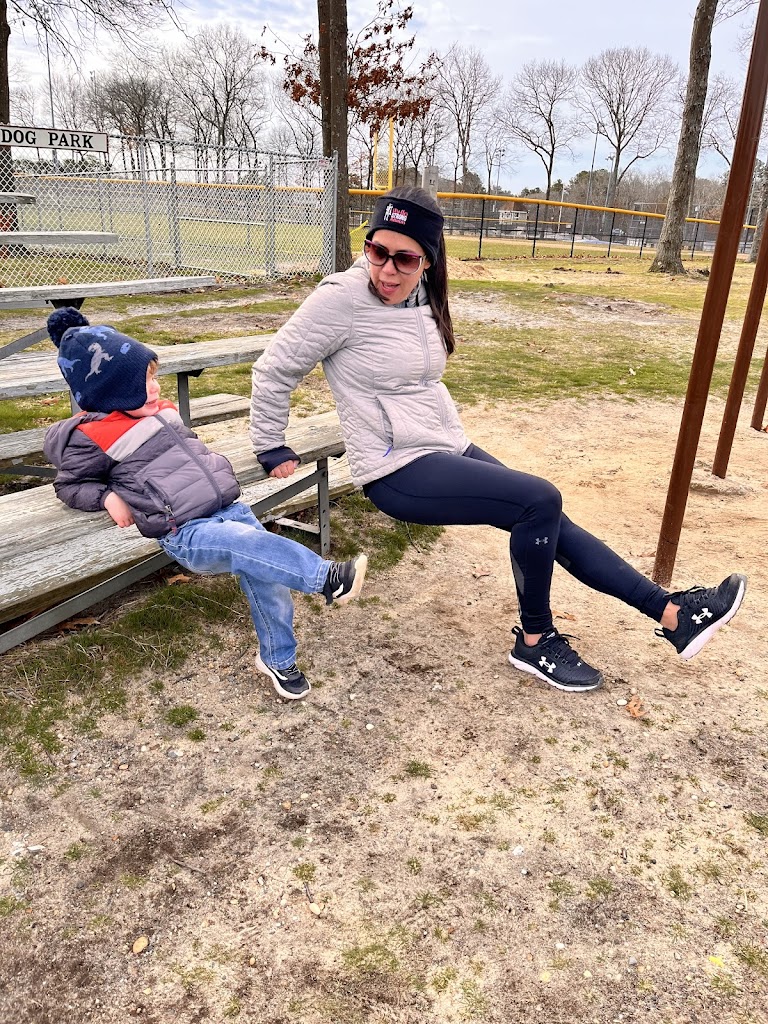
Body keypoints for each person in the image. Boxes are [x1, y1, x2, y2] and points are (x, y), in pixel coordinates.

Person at [249, 185, 746, 693]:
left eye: (405, 258)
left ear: (428, 260)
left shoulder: (423, 294)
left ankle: (672, 614)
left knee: (549, 517)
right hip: (393, 467)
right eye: (377, 251)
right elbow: (274, 368)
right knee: (539, 499)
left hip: (443, 446)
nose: (387, 270)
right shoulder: (341, 298)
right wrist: (271, 443)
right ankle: (536, 641)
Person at [43, 307, 367, 701]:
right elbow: (69, 486)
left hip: (228, 509)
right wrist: (107, 497)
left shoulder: (160, 412)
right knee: (250, 546)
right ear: (113, 392)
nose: (156, 389)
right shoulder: (94, 438)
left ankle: (278, 659)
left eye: (154, 377)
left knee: (268, 579)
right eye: (144, 383)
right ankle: (326, 579)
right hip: (186, 531)